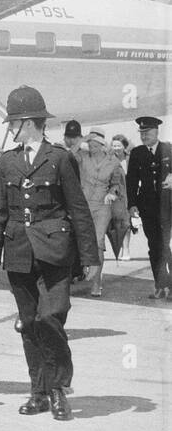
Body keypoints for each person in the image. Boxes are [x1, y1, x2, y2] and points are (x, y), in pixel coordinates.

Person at [0, 86, 99, 417]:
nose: (9, 129)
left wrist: (90, 257)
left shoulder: (60, 159)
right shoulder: (7, 161)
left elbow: (78, 209)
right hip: (19, 251)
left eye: (13, 123)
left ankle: (59, 388)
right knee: (28, 323)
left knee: (50, 318)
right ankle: (38, 393)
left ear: (29, 123)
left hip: (55, 253)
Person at [125, 115, 172, 299]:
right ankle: (161, 285)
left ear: (156, 132)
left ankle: (166, 283)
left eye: (148, 132)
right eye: (142, 133)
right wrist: (132, 204)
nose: (144, 136)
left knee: (163, 244)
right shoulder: (137, 153)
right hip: (148, 208)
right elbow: (131, 181)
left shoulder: (168, 149)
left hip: (168, 206)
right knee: (155, 246)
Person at [77, 129, 126, 297]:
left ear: (102, 146)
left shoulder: (113, 161)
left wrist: (112, 192)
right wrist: (85, 137)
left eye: (95, 144)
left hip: (102, 207)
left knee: (98, 242)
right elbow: (72, 151)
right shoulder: (83, 158)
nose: (92, 147)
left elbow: (117, 183)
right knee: (84, 241)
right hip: (84, 206)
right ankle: (85, 271)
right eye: (90, 144)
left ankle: (96, 283)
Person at [107, 135, 131, 260]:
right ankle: (119, 247)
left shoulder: (130, 158)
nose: (116, 148)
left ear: (124, 146)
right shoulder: (109, 159)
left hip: (130, 194)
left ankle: (126, 250)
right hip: (116, 195)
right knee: (117, 223)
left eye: (118, 145)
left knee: (127, 223)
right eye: (114, 145)